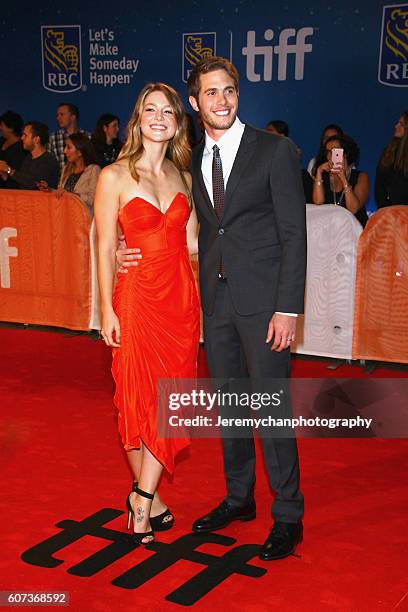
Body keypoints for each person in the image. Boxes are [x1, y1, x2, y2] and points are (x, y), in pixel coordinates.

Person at [118, 57, 307, 561]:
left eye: (230, 91)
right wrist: (124, 249)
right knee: (230, 408)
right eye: (211, 93)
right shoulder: (192, 161)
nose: (222, 100)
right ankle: (240, 498)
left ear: (237, 96)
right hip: (214, 304)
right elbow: (194, 234)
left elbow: (294, 234)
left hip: (265, 305)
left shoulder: (275, 150)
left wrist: (288, 308)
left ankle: (288, 514)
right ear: (196, 103)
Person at [94, 82, 200, 545]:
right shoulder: (113, 176)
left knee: (171, 402)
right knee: (136, 399)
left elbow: (195, 243)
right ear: (138, 118)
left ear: (178, 122)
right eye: (150, 109)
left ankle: (142, 495)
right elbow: (101, 246)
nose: (159, 117)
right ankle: (146, 497)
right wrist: (105, 311)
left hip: (179, 300)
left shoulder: (184, 177)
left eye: (168, 111)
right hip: (135, 298)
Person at [312, 133, 369, 227]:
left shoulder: (361, 176)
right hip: (331, 230)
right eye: (328, 152)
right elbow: (318, 202)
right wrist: (319, 172)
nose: (330, 156)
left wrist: (343, 178)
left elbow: (353, 208)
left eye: (335, 151)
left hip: (355, 231)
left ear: (345, 154)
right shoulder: (324, 176)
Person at [40, 133, 100, 216]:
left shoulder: (94, 169)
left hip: (83, 219)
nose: (64, 151)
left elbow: (93, 199)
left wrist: (71, 195)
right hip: (66, 217)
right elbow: (62, 193)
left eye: (68, 147)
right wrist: (50, 190)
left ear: (79, 152)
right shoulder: (66, 169)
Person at [0, 121, 59, 190]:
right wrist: (5, 177)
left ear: (36, 139)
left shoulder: (49, 160)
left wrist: (8, 170)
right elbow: (21, 187)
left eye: (25, 135)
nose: (22, 138)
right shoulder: (27, 158)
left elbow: (33, 184)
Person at [375, 111, 408, 207]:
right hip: (390, 212)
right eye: (397, 123)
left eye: (401, 124)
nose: (396, 126)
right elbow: (379, 186)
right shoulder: (388, 152)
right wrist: (385, 210)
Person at [48, 103, 90, 173]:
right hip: (61, 181)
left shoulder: (87, 137)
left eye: (62, 114)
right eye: (57, 115)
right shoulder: (53, 138)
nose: (58, 118)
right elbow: (49, 165)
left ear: (73, 117)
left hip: (83, 179)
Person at [0, 110, 26, 189]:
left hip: (9, 189)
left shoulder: (22, 148)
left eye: (2, 125)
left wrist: (5, 169)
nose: (0, 128)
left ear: (10, 128)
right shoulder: (1, 141)